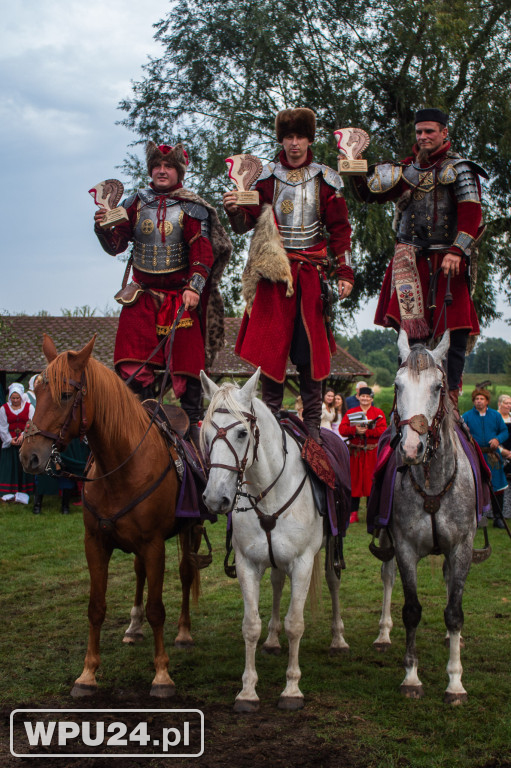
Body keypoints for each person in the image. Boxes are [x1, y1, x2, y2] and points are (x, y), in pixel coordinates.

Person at [223, 108, 353, 441]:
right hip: (273, 276)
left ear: (310, 139)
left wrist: (346, 271)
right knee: (270, 351)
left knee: (310, 354)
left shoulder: (327, 179)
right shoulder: (264, 178)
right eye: (288, 137)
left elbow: (340, 229)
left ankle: (312, 429)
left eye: (300, 137)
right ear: (281, 139)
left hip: (310, 275)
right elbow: (245, 223)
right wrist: (235, 210)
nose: (294, 144)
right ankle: (270, 424)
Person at [94, 142, 232, 445]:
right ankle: (132, 429)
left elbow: (203, 252)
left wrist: (194, 287)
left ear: (178, 170)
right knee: (130, 365)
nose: (161, 171)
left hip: (180, 298)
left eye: (168, 166)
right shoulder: (134, 203)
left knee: (188, 369)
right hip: (141, 296)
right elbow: (117, 245)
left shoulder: (193, 208)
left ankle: (194, 437)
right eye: (157, 166)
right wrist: (103, 228)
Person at [352, 108, 487, 411]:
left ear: (444, 133)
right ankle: (408, 396)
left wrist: (457, 250)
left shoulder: (460, 169)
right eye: (419, 132)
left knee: (456, 328)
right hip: (409, 260)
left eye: (430, 131)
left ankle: (450, 394)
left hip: (448, 259)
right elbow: (370, 194)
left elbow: (471, 215)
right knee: (407, 334)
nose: (424, 137)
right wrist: (355, 168)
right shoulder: (406, 170)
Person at [339, 387, 387, 523]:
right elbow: (342, 429)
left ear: (372, 398)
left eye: (368, 397)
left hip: (371, 453)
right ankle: (353, 513)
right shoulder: (351, 412)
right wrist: (355, 430)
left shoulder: (378, 413)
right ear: (358, 397)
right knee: (354, 482)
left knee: (371, 482)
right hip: (356, 453)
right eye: (362, 396)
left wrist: (366, 432)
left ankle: (371, 512)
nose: (365, 399)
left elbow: (382, 430)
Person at [463, 389, 508, 528]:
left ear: (487, 401)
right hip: (475, 455)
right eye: (476, 399)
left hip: (493, 456)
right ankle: (477, 517)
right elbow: (460, 433)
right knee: (476, 484)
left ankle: (498, 517)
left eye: (482, 399)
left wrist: (497, 439)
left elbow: (504, 431)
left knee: (497, 486)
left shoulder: (495, 415)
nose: (479, 401)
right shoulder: (467, 416)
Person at [0, 383, 34, 504]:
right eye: (13, 398)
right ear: (9, 397)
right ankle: (8, 493)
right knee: (10, 467)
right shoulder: (4, 408)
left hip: (25, 443)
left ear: (21, 397)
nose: (15, 400)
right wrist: (10, 440)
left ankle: (24, 491)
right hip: (10, 443)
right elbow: (2, 426)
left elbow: (32, 423)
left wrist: (23, 436)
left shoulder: (29, 407)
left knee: (24, 467)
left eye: (17, 398)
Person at [497, 394, 511, 523]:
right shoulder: (495, 418)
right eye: (506, 403)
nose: (509, 405)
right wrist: (502, 451)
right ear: (499, 404)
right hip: (496, 454)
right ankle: (497, 513)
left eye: (510, 403)